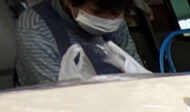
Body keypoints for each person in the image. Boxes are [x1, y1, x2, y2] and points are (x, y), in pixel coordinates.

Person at [15, 0, 144, 86]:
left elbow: (138, 75)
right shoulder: (35, 27)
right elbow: (55, 94)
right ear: (68, 2)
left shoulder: (116, 22)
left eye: (115, 14)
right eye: (96, 12)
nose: (106, 20)